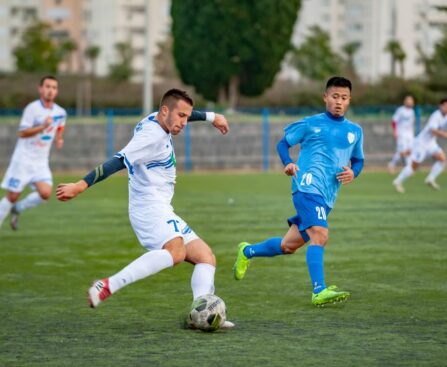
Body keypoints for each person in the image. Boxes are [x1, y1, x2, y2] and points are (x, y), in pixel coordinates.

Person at [56, 89, 234, 328]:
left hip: (161, 206)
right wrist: (81, 184)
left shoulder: (160, 118)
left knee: (206, 258)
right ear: (164, 111)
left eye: (185, 117)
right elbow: (117, 161)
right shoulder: (151, 136)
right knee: (176, 253)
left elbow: (183, 113)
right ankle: (108, 285)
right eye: (180, 116)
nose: (183, 122)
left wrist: (211, 117)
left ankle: (200, 313)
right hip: (148, 207)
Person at [232, 76, 364, 307]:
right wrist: (288, 162)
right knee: (320, 235)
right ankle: (319, 290)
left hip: (327, 196)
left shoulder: (355, 131)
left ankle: (247, 251)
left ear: (349, 100)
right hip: (306, 186)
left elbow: (359, 160)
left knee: (288, 246)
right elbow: (282, 144)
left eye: (344, 98)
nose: (339, 102)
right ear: (325, 97)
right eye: (335, 96)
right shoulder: (310, 123)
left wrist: (354, 172)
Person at [0, 75, 66, 230]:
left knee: (46, 193)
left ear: (56, 91)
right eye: (48, 87)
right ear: (40, 89)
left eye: (54, 88)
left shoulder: (60, 112)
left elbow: (60, 126)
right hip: (23, 160)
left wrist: (59, 139)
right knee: (12, 196)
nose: (51, 90)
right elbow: (22, 133)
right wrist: (42, 127)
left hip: (40, 162)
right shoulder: (32, 109)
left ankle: (18, 208)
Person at [392, 98, 447, 193]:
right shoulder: (436, 115)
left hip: (431, 143)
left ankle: (430, 179)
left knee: (442, 159)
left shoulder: (445, 117)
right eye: (445, 105)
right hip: (421, 144)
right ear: (440, 106)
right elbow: (433, 130)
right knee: (414, 166)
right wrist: (444, 134)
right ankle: (398, 181)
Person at [387, 95, 416, 173]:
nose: (410, 102)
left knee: (409, 150)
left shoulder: (412, 111)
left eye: (411, 101)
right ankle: (392, 164)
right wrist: (395, 132)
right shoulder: (401, 110)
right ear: (405, 101)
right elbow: (394, 121)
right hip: (401, 133)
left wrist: (413, 133)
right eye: (409, 100)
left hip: (409, 134)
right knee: (402, 151)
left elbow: (412, 123)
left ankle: (408, 168)